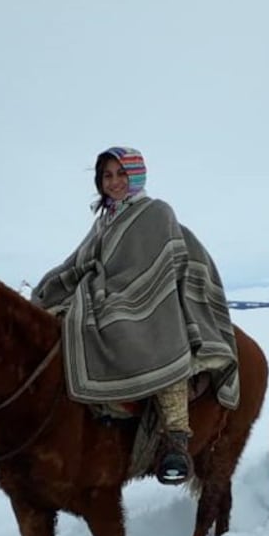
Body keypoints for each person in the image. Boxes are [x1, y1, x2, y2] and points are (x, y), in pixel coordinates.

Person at [31, 146, 240, 485]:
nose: (113, 182)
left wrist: (118, 295)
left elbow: (153, 265)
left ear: (136, 175)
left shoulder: (155, 212)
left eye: (120, 174)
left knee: (161, 347)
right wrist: (53, 287)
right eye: (106, 175)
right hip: (109, 294)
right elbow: (83, 261)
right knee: (63, 325)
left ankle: (175, 440)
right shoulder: (105, 220)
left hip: (156, 300)